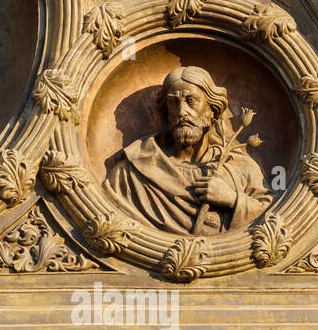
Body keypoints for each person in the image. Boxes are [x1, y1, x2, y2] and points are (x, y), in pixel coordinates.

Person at [103, 65, 271, 234]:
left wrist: (232, 199)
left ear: (212, 109)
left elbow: (270, 215)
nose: (182, 111)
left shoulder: (237, 166)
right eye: (173, 102)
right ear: (167, 111)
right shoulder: (133, 170)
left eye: (191, 101)